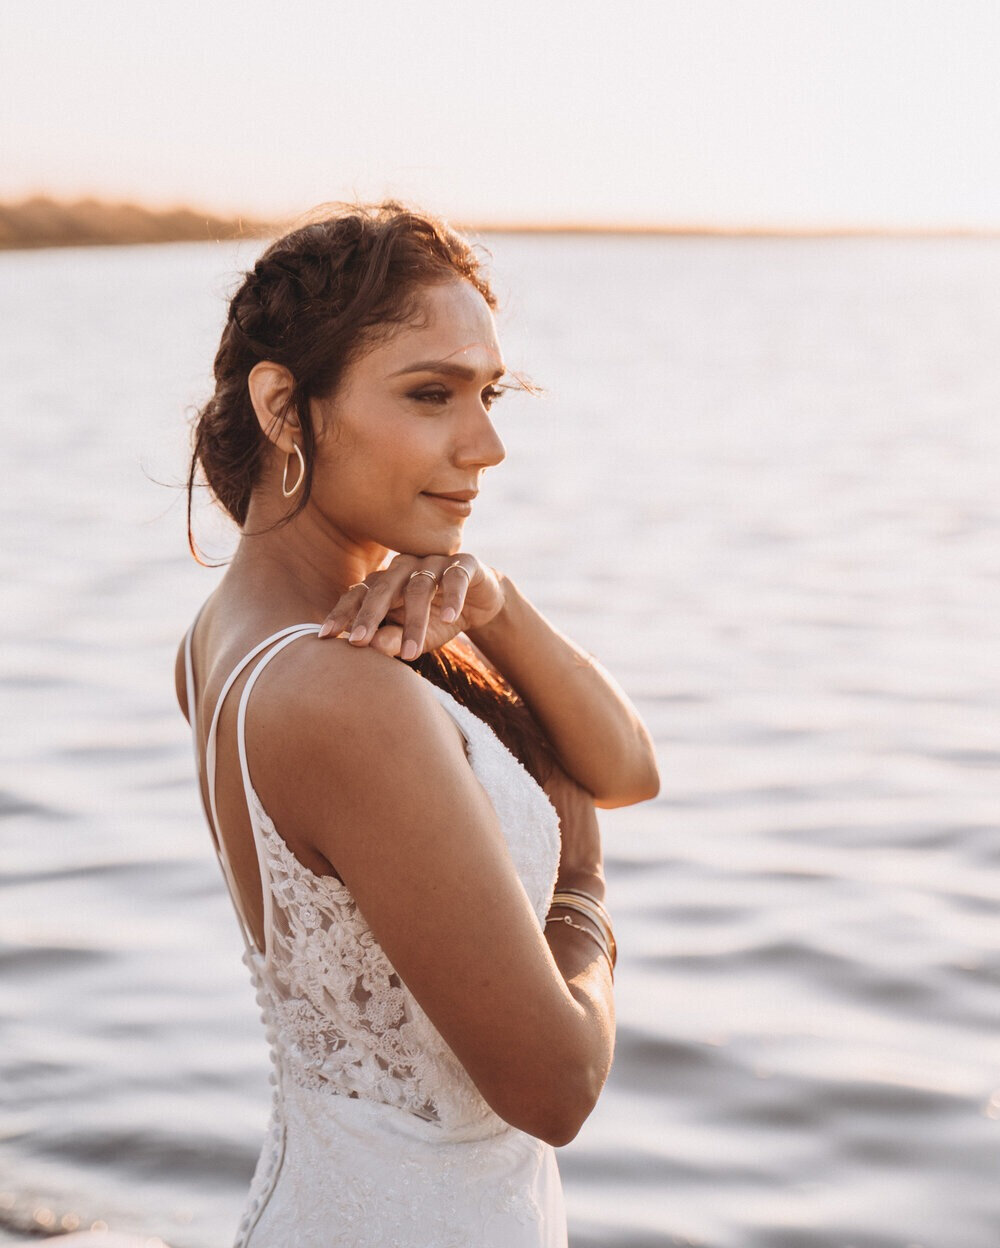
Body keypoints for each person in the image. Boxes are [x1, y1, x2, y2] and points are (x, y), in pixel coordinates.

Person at [175, 201, 659, 1248]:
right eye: (430, 394)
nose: (483, 445)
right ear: (281, 405)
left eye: (490, 394)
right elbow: (556, 1086)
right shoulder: (346, 695)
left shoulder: (227, 633)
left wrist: (495, 605)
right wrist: (581, 884)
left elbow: (626, 765)